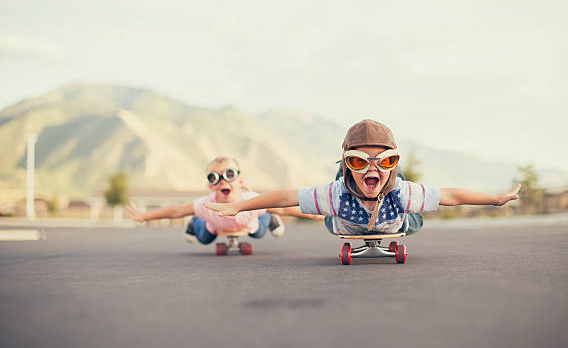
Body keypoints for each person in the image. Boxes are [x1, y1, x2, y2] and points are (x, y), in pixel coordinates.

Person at [204, 120, 522, 236]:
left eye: (385, 161)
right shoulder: (335, 195)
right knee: (330, 210)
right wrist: (239, 207)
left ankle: (387, 173)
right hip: (343, 220)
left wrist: (495, 199)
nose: (372, 168)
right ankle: (349, 172)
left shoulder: (404, 193)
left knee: (413, 215)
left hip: (397, 221)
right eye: (358, 160)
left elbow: (451, 196)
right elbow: (285, 196)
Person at [126, 156, 320, 245]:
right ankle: (195, 223)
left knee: (260, 230)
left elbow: (285, 209)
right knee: (203, 238)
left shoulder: (251, 200)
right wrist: (145, 216)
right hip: (215, 226)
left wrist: (313, 214)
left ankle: (269, 218)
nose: (222, 181)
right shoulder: (206, 205)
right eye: (214, 177)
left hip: (250, 223)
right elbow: (176, 211)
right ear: (210, 185)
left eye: (229, 174)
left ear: (240, 181)